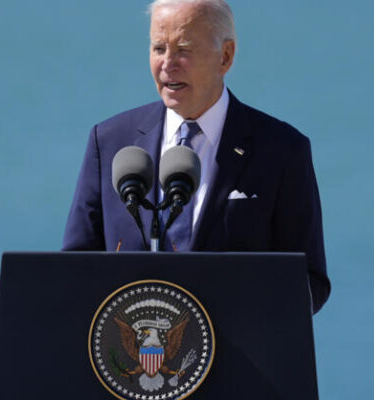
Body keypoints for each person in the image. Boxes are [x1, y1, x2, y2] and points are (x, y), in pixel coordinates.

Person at [62, 0, 330, 313]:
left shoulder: (282, 150)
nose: (167, 64)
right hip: (131, 357)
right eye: (159, 48)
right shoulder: (109, 142)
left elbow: (310, 280)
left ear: (225, 56)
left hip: (238, 357)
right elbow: (74, 269)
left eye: (184, 49)